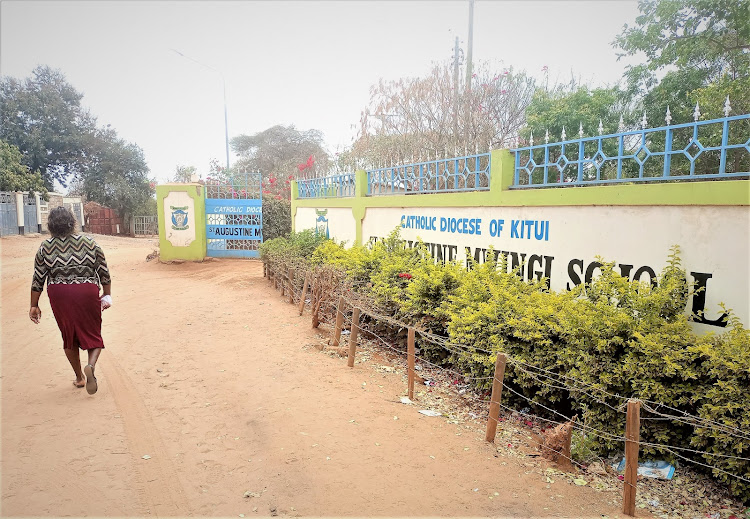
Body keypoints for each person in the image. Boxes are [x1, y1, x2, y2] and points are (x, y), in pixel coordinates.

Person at [29, 206, 112, 395]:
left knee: (68, 335)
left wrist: (34, 305)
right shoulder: (90, 242)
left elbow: (38, 278)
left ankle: (79, 377)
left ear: (51, 225)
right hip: (86, 291)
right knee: (94, 334)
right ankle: (90, 365)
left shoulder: (45, 247)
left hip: (59, 294)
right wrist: (107, 294)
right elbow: (104, 272)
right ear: (72, 222)